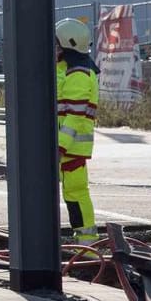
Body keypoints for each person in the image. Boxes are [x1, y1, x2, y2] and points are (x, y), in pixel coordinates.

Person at [53, 17, 99, 245]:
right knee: (73, 194)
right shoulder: (69, 69)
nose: (54, 49)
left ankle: (87, 244)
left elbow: (74, 118)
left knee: (76, 195)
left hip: (70, 148)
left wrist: (59, 147)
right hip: (68, 148)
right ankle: (85, 242)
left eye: (57, 45)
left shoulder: (78, 74)